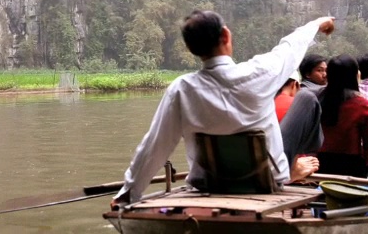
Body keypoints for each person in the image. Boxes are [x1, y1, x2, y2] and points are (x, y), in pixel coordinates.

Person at [111, 11, 335, 205]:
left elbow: (154, 145)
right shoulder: (260, 73)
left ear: (190, 48)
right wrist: (317, 23)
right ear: (226, 35)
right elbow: (290, 47)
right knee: (306, 100)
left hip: (207, 188)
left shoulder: (182, 89)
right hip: (266, 185)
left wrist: (128, 193)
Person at [316, 54, 368, 177]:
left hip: (320, 163)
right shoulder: (361, 104)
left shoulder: (317, 98)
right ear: (355, 75)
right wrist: (363, 163)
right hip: (351, 165)